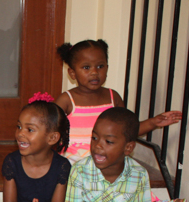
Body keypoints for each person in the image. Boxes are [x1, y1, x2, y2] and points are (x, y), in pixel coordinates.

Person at [54, 39, 182, 165]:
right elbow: (49, 132)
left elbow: (127, 131)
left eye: (100, 66)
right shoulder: (66, 100)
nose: (94, 72)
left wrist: (154, 122)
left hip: (108, 162)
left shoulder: (113, 97)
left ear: (107, 68)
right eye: (86, 67)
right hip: (74, 163)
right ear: (72, 73)